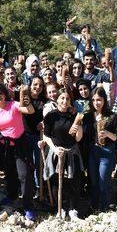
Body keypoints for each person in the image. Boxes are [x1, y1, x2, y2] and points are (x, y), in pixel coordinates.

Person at [0, 84, 35, 220]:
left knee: (24, 175)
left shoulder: (14, 104)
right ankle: (12, 195)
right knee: (10, 173)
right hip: (5, 146)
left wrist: (27, 100)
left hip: (20, 144)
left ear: (4, 94)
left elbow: (30, 111)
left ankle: (28, 205)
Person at [42, 88, 84, 220]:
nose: (64, 101)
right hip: (57, 153)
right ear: (57, 99)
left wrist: (79, 127)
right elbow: (46, 136)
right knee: (56, 182)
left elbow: (78, 139)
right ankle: (61, 209)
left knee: (73, 182)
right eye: (62, 98)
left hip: (71, 152)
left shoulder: (74, 116)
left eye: (67, 99)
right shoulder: (51, 116)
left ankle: (73, 209)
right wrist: (54, 149)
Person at [83, 87, 117, 212]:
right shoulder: (88, 116)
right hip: (93, 151)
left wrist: (108, 134)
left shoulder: (112, 117)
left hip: (107, 152)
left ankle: (104, 208)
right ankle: (94, 207)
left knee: (103, 182)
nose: (96, 103)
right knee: (93, 182)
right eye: (93, 100)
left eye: (98, 100)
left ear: (104, 100)